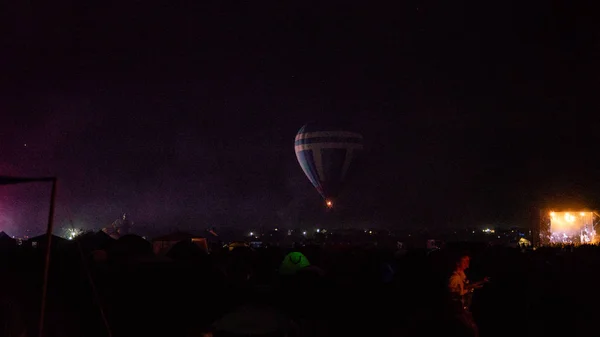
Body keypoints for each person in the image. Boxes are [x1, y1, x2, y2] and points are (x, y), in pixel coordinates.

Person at [448, 253, 489, 337]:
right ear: (457, 262)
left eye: (468, 262)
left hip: (464, 309)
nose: (467, 265)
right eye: (465, 262)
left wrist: (481, 282)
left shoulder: (461, 274)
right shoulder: (454, 279)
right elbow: (454, 299)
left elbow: (465, 286)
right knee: (472, 330)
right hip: (460, 311)